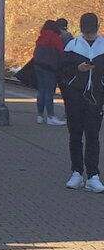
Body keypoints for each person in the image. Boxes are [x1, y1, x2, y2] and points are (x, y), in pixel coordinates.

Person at [61, 12, 104, 191]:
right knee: (76, 135)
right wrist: (78, 69)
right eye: (86, 32)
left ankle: (93, 174)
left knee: (93, 135)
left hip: (96, 97)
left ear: (98, 28)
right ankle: (77, 172)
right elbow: (62, 71)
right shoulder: (72, 46)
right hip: (75, 97)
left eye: (92, 32)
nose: (89, 35)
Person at [34, 20, 66, 125]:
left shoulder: (41, 37)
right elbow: (61, 53)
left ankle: (39, 116)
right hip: (50, 69)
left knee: (41, 91)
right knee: (49, 93)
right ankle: (51, 116)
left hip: (38, 67)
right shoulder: (56, 38)